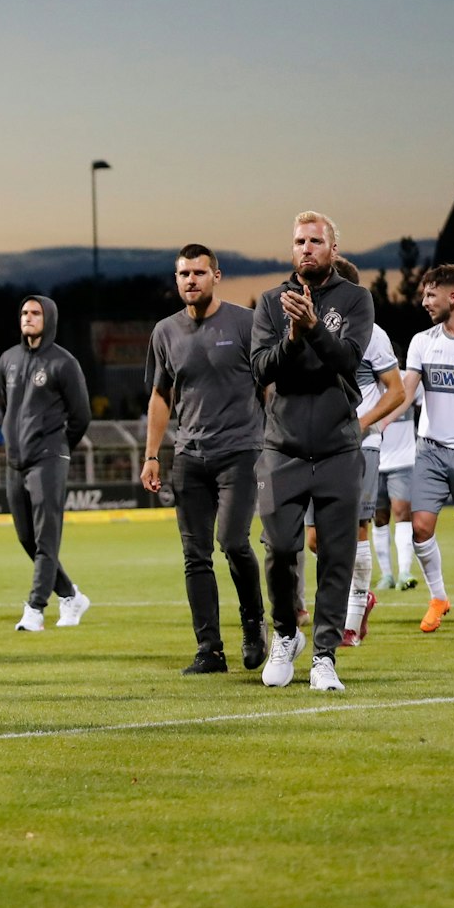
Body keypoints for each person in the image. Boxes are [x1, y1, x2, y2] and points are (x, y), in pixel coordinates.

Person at [250, 211, 373, 691]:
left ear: (332, 249)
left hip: (339, 450)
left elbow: (346, 361)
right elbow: (262, 370)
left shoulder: (356, 299)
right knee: (279, 549)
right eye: (299, 240)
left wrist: (316, 327)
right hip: (282, 449)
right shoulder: (268, 302)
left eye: (315, 241)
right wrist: (294, 335)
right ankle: (285, 634)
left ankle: (324, 656)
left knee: (337, 556)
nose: (306, 248)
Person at [141, 244, 267, 674]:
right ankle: (209, 650)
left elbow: (269, 385)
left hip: (241, 452)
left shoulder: (247, 323)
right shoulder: (165, 332)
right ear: (176, 280)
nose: (190, 280)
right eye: (183, 274)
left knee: (233, 542)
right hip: (189, 456)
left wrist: (275, 442)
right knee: (195, 555)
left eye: (198, 272)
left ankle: (254, 624)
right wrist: (151, 455)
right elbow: (160, 396)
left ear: (217, 275)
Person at [0, 295, 92, 633]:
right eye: (24, 312)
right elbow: (8, 406)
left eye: (35, 313)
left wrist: (58, 447)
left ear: (49, 318)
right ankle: (70, 595)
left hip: (49, 459)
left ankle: (35, 608)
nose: (28, 317)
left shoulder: (63, 363)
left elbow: (81, 415)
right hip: (15, 462)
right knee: (27, 537)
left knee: (46, 538)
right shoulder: (7, 359)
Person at [330, 256, 404, 646]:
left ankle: (352, 617)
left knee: (358, 528)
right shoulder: (312, 330)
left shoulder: (372, 334)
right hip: (318, 446)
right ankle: (357, 598)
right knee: (315, 539)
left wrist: (360, 426)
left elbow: (397, 391)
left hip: (363, 445)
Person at [402, 263, 454, 634]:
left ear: (452, 296)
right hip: (430, 449)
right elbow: (406, 392)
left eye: (431, 295)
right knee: (421, 528)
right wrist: (376, 424)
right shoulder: (422, 341)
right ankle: (438, 597)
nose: (424, 302)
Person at [371, 394, 419, 592]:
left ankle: (404, 571)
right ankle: (386, 574)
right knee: (379, 518)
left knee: (402, 512)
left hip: (403, 461)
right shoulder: (368, 381)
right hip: (374, 459)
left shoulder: (408, 381)